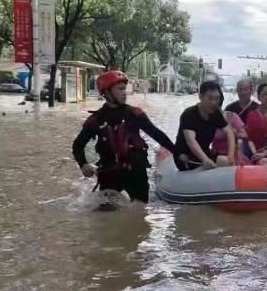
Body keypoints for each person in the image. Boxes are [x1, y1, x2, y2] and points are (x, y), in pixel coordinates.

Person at [72, 70, 175, 203]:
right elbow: (77, 145)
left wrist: (178, 152)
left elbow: (157, 135)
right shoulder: (96, 120)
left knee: (140, 212)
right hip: (109, 174)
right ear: (107, 92)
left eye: (124, 89)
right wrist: (83, 165)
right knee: (106, 211)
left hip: (136, 173)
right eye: (120, 89)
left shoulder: (135, 114)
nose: (124, 92)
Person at [174, 81, 236, 171]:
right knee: (206, 168)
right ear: (200, 97)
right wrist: (204, 159)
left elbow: (229, 132)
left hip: (205, 151)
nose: (214, 102)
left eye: (217, 98)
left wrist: (230, 155)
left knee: (227, 162)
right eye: (210, 98)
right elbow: (191, 141)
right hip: (185, 156)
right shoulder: (189, 114)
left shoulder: (216, 114)